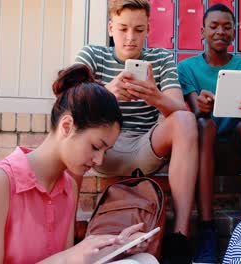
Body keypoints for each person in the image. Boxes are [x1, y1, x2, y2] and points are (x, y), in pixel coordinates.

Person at [0, 64, 158, 263]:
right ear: (67, 126)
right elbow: (65, 259)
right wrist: (67, 258)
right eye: (96, 146)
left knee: (143, 260)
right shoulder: (1, 182)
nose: (99, 160)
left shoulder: (68, 188)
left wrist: (117, 246)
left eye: (105, 152)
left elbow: (69, 260)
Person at [75, 1, 198, 263]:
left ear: (148, 30)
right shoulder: (92, 55)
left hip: (146, 146)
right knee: (72, 129)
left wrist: (155, 97)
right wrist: (106, 93)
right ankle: (65, 232)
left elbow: (179, 108)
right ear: (110, 28)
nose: (130, 38)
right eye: (122, 29)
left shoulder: (162, 58)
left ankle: (179, 238)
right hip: (102, 149)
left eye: (138, 29)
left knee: (186, 121)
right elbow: (68, 103)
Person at [177, 4, 241, 263]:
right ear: (202, 31)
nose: (220, 32)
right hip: (205, 146)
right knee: (204, 125)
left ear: (234, 33)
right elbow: (194, 109)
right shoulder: (187, 67)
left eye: (227, 27)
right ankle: (207, 228)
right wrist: (201, 106)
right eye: (213, 26)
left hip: (237, 146)